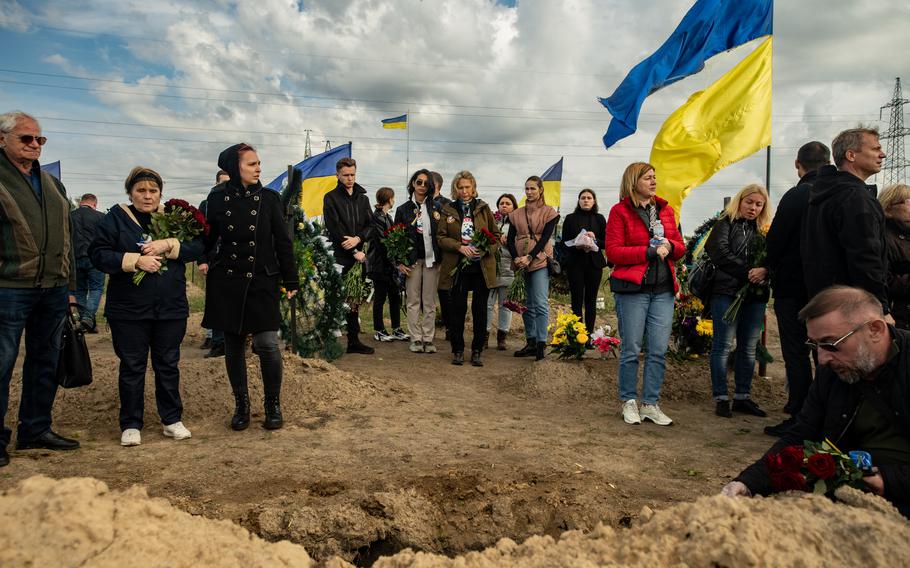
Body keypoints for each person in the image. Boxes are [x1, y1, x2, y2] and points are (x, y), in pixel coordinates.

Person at [723, 286, 910, 518]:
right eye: (815, 345)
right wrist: (748, 483)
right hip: (850, 500)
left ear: (875, 329)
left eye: (831, 345)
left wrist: (888, 481)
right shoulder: (833, 373)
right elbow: (801, 435)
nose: (822, 359)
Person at [88, 167, 204, 446]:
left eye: (153, 190)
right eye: (141, 190)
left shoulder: (173, 219)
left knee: (168, 364)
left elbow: (198, 247)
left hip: (169, 307)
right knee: (132, 365)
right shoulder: (115, 218)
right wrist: (133, 261)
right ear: (130, 192)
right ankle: (130, 423)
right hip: (129, 309)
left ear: (160, 193)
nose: (147, 196)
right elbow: (98, 254)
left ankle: (172, 419)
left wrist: (170, 244)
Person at [0, 110, 79, 467]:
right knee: (2, 363)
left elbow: (67, 237)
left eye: (39, 139)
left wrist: (71, 287)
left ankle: (35, 429)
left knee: (45, 360)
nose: (34, 145)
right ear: (3, 140)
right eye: (26, 138)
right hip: (9, 286)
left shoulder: (51, 182)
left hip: (54, 287)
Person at [202, 143, 299, 431]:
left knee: (267, 344)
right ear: (235, 168)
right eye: (251, 164)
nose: (258, 168)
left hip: (262, 280)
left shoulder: (269, 198)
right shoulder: (217, 198)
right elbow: (208, 239)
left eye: (258, 163)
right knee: (233, 345)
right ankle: (241, 405)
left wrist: (291, 279)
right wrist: (186, 249)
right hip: (228, 280)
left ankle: (272, 404)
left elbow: (283, 241)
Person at [604, 162, 684, 426]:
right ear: (633, 181)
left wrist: (670, 245)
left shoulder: (666, 210)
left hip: (663, 290)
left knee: (658, 350)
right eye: (648, 177)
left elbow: (681, 248)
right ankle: (629, 402)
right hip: (633, 290)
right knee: (631, 349)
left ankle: (650, 404)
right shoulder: (620, 211)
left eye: (654, 177)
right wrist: (648, 251)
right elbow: (613, 252)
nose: (653, 181)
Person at [763, 142, 830, 437]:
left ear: (797, 164)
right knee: (828, 351)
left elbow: (775, 241)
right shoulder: (841, 192)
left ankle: (801, 411)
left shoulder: (797, 195)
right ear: (828, 162)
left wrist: (769, 267)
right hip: (830, 289)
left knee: (797, 351)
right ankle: (829, 411)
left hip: (793, 286)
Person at [802, 127, 891, 321]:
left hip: (827, 305)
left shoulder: (826, 193)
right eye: (875, 149)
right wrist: (880, 308)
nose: (882, 154)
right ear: (851, 155)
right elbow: (865, 257)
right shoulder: (854, 197)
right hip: (854, 309)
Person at [705, 184, 772, 419]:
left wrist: (764, 270)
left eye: (758, 204)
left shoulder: (764, 230)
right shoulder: (725, 223)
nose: (753, 208)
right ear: (739, 201)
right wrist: (748, 272)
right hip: (726, 292)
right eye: (749, 202)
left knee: (749, 347)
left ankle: (743, 396)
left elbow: (775, 256)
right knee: (722, 346)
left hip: (755, 296)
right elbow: (718, 251)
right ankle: (721, 397)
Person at [438, 171, 500, 366]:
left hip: (480, 268)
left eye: (467, 187)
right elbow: (440, 238)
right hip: (458, 268)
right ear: (455, 189)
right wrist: (460, 247)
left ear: (473, 188)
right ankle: (457, 349)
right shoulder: (448, 209)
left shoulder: (483, 208)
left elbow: (496, 237)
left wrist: (483, 250)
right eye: (460, 187)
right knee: (457, 309)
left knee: (479, 310)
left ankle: (476, 350)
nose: (464, 191)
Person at [323, 157, 374, 355]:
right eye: (346, 175)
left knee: (354, 299)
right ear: (338, 175)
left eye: (352, 174)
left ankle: (353, 341)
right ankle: (327, 341)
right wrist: (353, 249)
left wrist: (359, 239)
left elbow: (371, 225)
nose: (350, 178)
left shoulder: (363, 198)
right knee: (335, 299)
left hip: (359, 256)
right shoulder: (331, 198)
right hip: (340, 256)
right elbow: (334, 228)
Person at [508, 176, 560, 361]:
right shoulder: (516, 214)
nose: (529, 192)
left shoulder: (549, 212)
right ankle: (530, 341)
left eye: (533, 188)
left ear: (540, 190)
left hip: (539, 260)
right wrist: (517, 258)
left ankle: (541, 343)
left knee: (539, 302)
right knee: (525, 304)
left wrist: (530, 256)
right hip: (521, 261)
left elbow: (546, 237)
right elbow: (509, 238)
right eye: (527, 188)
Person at [395, 169, 442, 353]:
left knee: (429, 302)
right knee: (413, 301)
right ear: (413, 183)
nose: (422, 186)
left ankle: (428, 338)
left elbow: (442, 235)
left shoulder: (437, 208)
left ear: (430, 186)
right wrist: (400, 262)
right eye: (419, 182)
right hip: (412, 262)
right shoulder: (402, 209)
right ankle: (415, 338)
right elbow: (395, 238)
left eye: (426, 183)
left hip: (431, 261)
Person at [561, 188, 607, 336]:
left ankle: (588, 336)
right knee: (576, 300)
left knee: (591, 301)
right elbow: (563, 243)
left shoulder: (599, 218)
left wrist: (594, 239)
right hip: (575, 263)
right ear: (578, 201)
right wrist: (577, 243)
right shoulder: (570, 218)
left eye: (589, 198)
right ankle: (577, 336)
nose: (586, 200)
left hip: (594, 264)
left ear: (594, 201)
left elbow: (606, 242)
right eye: (583, 198)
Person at [367, 186, 407, 342]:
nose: (394, 200)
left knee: (394, 297)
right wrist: (395, 263)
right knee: (380, 298)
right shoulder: (376, 217)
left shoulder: (387, 217)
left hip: (389, 266)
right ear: (389, 199)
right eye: (393, 197)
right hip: (379, 265)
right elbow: (382, 243)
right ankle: (379, 330)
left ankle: (396, 328)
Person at [198, 169, 230, 358]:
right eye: (222, 182)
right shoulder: (207, 204)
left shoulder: (238, 201)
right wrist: (202, 260)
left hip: (235, 260)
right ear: (216, 183)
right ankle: (217, 342)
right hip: (214, 259)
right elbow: (201, 234)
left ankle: (234, 343)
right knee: (216, 302)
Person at [70, 193, 106, 333]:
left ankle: (88, 322)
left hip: (75, 258)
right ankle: (88, 317)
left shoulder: (70, 216)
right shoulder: (100, 217)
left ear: (81, 203)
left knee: (80, 290)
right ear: (95, 204)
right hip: (95, 258)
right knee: (96, 289)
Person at [487, 193, 518, 351]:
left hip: (508, 268)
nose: (504, 205)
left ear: (514, 206)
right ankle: (484, 335)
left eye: (508, 203)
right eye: (501, 203)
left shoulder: (517, 223)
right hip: (492, 267)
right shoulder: (491, 221)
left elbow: (521, 243)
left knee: (505, 305)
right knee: (488, 304)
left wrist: (510, 240)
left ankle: (502, 337)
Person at [880, 184, 910, 330]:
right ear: (888, 208)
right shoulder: (883, 238)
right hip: (900, 320)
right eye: (908, 201)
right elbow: (884, 281)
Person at [431, 171, 452, 341]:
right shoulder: (419, 203)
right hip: (425, 256)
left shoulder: (448, 206)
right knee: (426, 295)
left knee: (445, 292)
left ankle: (449, 326)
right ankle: (427, 328)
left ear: (437, 185)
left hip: (444, 257)